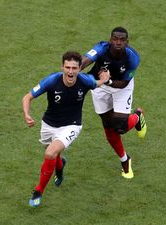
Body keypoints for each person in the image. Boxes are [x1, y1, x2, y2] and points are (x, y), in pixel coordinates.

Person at [22, 51, 110, 207]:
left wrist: (104, 79)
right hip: (48, 124)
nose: (70, 71)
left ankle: (38, 191)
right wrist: (27, 114)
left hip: (72, 125)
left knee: (49, 153)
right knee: (54, 155)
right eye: (67, 67)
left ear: (79, 68)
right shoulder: (51, 81)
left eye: (74, 68)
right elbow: (27, 97)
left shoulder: (85, 81)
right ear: (62, 67)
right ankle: (60, 165)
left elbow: (96, 83)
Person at [81, 26, 147, 179]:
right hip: (99, 86)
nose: (118, 42)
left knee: (120, 127)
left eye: (122, 40)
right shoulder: (101, 48)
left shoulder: (133, 58)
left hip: (120, 87)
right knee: (108, 125)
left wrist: (108, 80)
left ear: (127, 42)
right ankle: (125, 159)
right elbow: (87, 59)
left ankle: (137, 117)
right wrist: (76, 68)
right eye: (115, 39)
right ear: (110, 40)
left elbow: (123, 83)